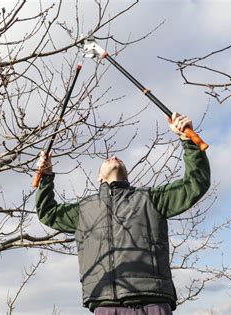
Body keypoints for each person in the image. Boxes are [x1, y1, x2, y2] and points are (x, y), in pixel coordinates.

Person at [35, 112, 210, 315]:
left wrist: (187, 140)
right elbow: (48, 212)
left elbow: (195, 183)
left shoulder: (151, 198)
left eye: (119, 159)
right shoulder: (84, 210)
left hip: (153, 303)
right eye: (107, 159)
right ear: (99, 177)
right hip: (106, 305)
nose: (114, 157)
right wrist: (46, 178)